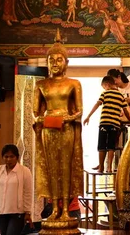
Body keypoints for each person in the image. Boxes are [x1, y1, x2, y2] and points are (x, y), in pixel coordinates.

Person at [33, 31, 83, 224]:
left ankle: (65, 210)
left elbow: (79, 110)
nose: (55, 63)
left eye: (59, 59)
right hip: (48, 129)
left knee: (65, 167)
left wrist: (68, 119)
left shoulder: (73, 84)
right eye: (51, 60)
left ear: (66, 63)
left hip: (66, 128)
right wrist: (41, 120)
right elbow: (34, 112)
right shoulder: (41, 84)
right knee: (52, 168)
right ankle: (54, 208)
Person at [83, 76, 130, 172]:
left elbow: (97, 104)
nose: (104, 88)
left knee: (101, 145)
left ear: (107, 85)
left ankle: (101, 167)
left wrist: (88, 116)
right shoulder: (120, 96)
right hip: (115, 124)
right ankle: (109, 167)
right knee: (111, 146)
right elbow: (126, 109)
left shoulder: (105, 93)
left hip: (104, 123)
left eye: (104, 86)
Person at [0, 145, 33, 235]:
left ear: (17, 157)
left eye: (12, 156)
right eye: (6, 157)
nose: (9, 159)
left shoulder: (24, 171)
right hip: (1, 211)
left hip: (17, 212)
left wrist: (28, 212)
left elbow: (28, 192)